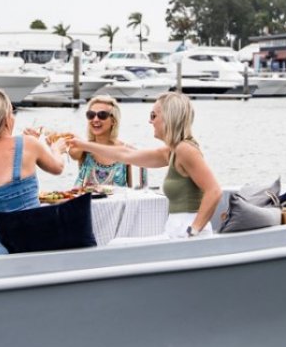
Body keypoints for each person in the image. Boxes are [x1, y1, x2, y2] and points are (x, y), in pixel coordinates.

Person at [68, 91, 221, 239]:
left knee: (120, 245)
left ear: (169, 117)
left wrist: (193, 230)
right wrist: (83, 145)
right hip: (176, 229)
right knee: (120, 244)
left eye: (153, 116)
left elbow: (214, 191)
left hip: (186, 231)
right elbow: (125, 155)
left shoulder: (185, 149)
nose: (150, 121)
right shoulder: (171, 151)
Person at [0, 88, 67, 258]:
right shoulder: (29, 144)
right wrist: (56, 149)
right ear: (6, 118)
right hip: (36, 243)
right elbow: (58, 168)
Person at [69, 95, 132, 188]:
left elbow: (130, 189)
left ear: (113, 120)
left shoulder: (126, 150)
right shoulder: (83, 148)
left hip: (117, 202)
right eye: (91, 115)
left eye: (102, 115)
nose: (95, 119)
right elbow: (71, 154)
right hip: (84, 202)